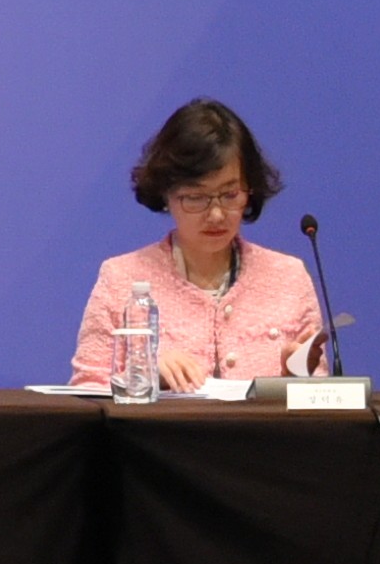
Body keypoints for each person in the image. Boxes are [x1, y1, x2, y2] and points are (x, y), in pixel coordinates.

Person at [65, 98, 329, 388]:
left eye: (230, 195)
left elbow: (323, 399)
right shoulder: (121, 279)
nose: (216, 215)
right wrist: (146, 376)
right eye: (195, 197)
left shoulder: (288, 278)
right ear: (166, 195)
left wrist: (296, 379)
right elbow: (87, 389)